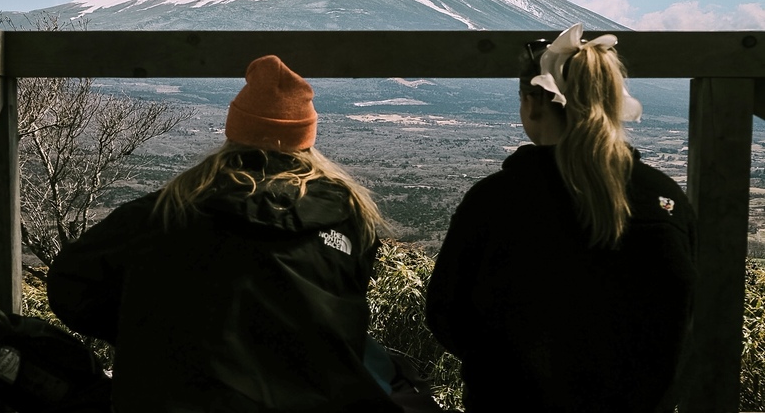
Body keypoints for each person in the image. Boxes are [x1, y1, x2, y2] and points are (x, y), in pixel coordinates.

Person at [47, 55, 402, 413]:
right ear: (306, 137)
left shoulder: (163, 212)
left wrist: (151, 327)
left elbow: (70, 287)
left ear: (235, 131)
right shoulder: (350, 217)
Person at [425, 24, 697, 412]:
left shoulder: (497, 201)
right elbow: (686, 319)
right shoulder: (664, 200)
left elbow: (446, 314)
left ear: (534, 103)